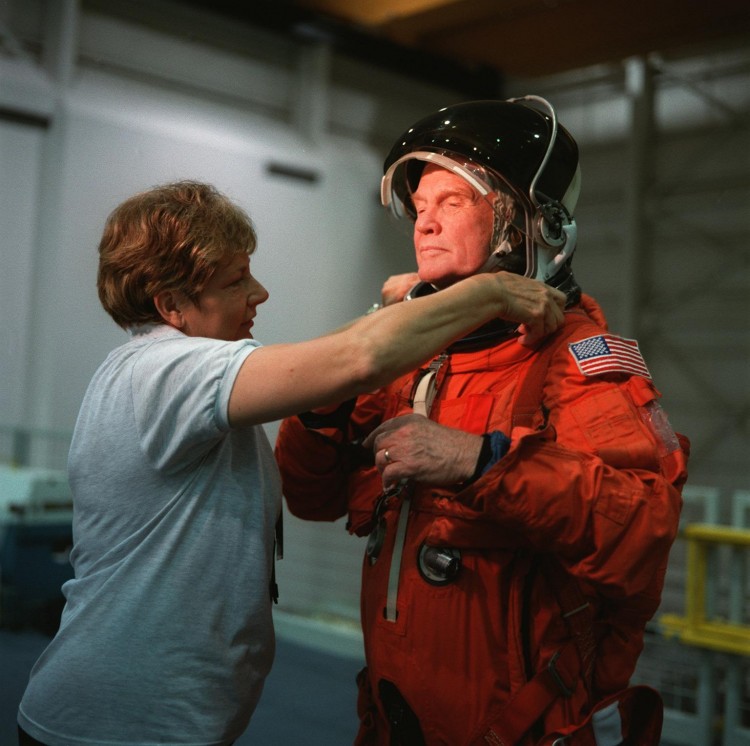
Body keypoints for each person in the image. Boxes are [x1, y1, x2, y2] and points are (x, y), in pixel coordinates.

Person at [16, 180, 567, 746]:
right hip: (116, 727)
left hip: (144, 720)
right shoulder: (168, 373)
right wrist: (494, 291)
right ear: (172, 306)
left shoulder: (152, 370)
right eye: (235, 281)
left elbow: (336, 353)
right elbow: (357, 360)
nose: (260, 293)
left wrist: (399, 307)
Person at [275, 97, 690, 745]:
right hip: (395, 716)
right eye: (419, 207)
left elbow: (643, 529)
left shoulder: (575, 357)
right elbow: (310, 495)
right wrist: (339, 372)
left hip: (520, 725)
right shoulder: (407, 354)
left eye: (452, 202)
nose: (425, 224)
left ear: (523, 223)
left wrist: (478, 461)